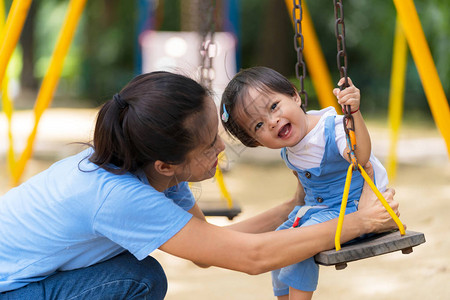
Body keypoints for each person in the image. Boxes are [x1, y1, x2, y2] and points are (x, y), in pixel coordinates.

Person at [0, 71, 399, 300]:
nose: (222, 148)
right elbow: (252, 258)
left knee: (136, 271)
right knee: (140, 278)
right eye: (210, 145)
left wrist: (291, 206)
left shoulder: (151, 168)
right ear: (167, 163)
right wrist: (359, 223)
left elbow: (208, 247)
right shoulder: (118, 196)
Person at [220, 66, 389, 300]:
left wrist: (355, 114)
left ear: (294, 95)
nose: (271, 121)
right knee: (275, 245)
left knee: (298, 244)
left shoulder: (334, 128)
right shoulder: (289, 151)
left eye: (273, 106)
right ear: (255, 141)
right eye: (258, 126)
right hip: (315, 212)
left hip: (352, 210)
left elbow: (360, 157)